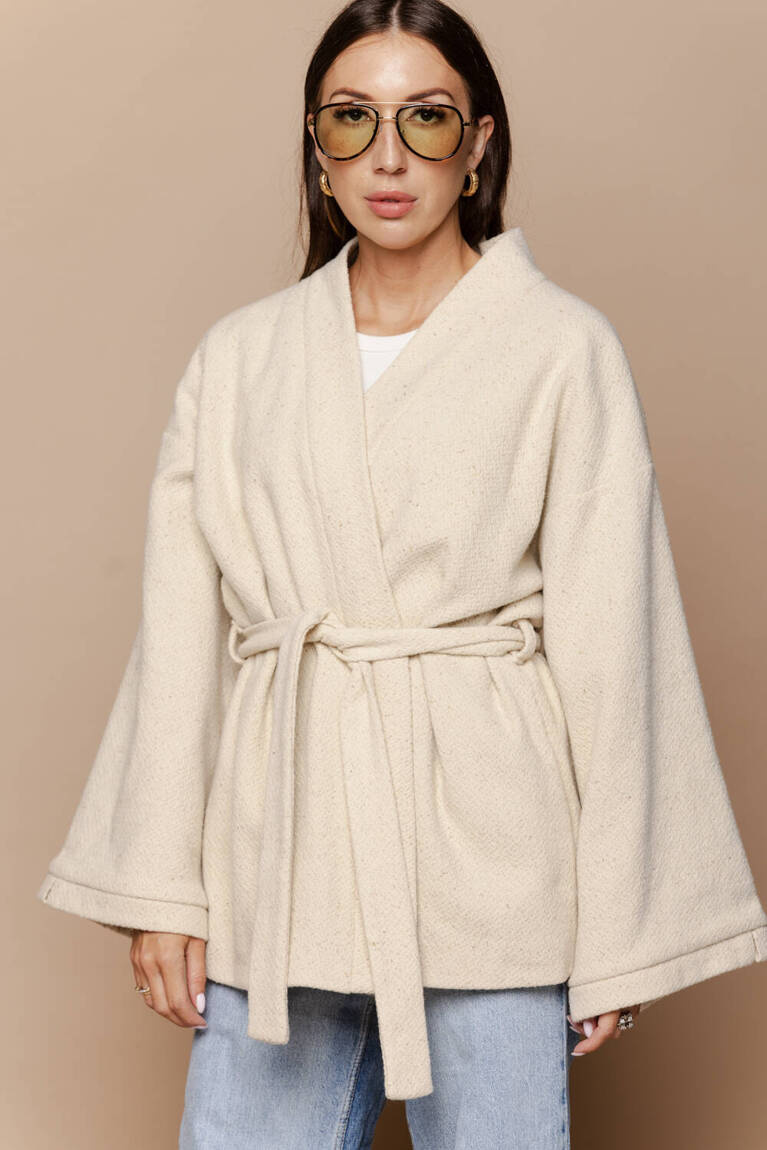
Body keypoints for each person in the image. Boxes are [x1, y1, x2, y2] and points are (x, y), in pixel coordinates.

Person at [37, 1, 767, 1147]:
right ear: (315, 146)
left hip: (493, 866)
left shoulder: (560, 348)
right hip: (281, 863)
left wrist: (622, 931)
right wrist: (160, 890)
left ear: (477, 144)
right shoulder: (240, 359)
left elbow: (616, 645)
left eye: (424, 118)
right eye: (352, 119)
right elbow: (181, 642)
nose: (387, 156)